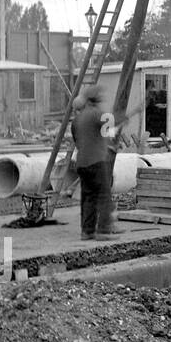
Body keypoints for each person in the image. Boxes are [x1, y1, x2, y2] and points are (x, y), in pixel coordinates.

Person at [71, 84, 124, 240]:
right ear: (95, 100)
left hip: (82, 163)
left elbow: (100, 132)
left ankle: (87, 231)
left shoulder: (79, 119)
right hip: (95, 162)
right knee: (104, 195)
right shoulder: (94, 113)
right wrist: (122, 118)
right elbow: (110, 121)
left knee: (88, 197)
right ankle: (103, 230)